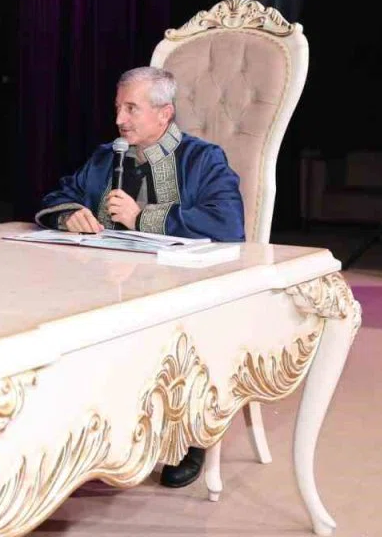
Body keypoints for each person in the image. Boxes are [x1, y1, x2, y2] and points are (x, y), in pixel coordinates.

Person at [35, 65, 245, 488]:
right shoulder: (105, 156)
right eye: (118, 108)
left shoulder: (203, 159)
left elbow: (227, 221)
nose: (119, 119)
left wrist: (143, 217)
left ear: (164, 113)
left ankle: (190, 435)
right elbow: (58, 196)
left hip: (180, 290)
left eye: (131, 109)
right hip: (108, 286)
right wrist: (70, 215)